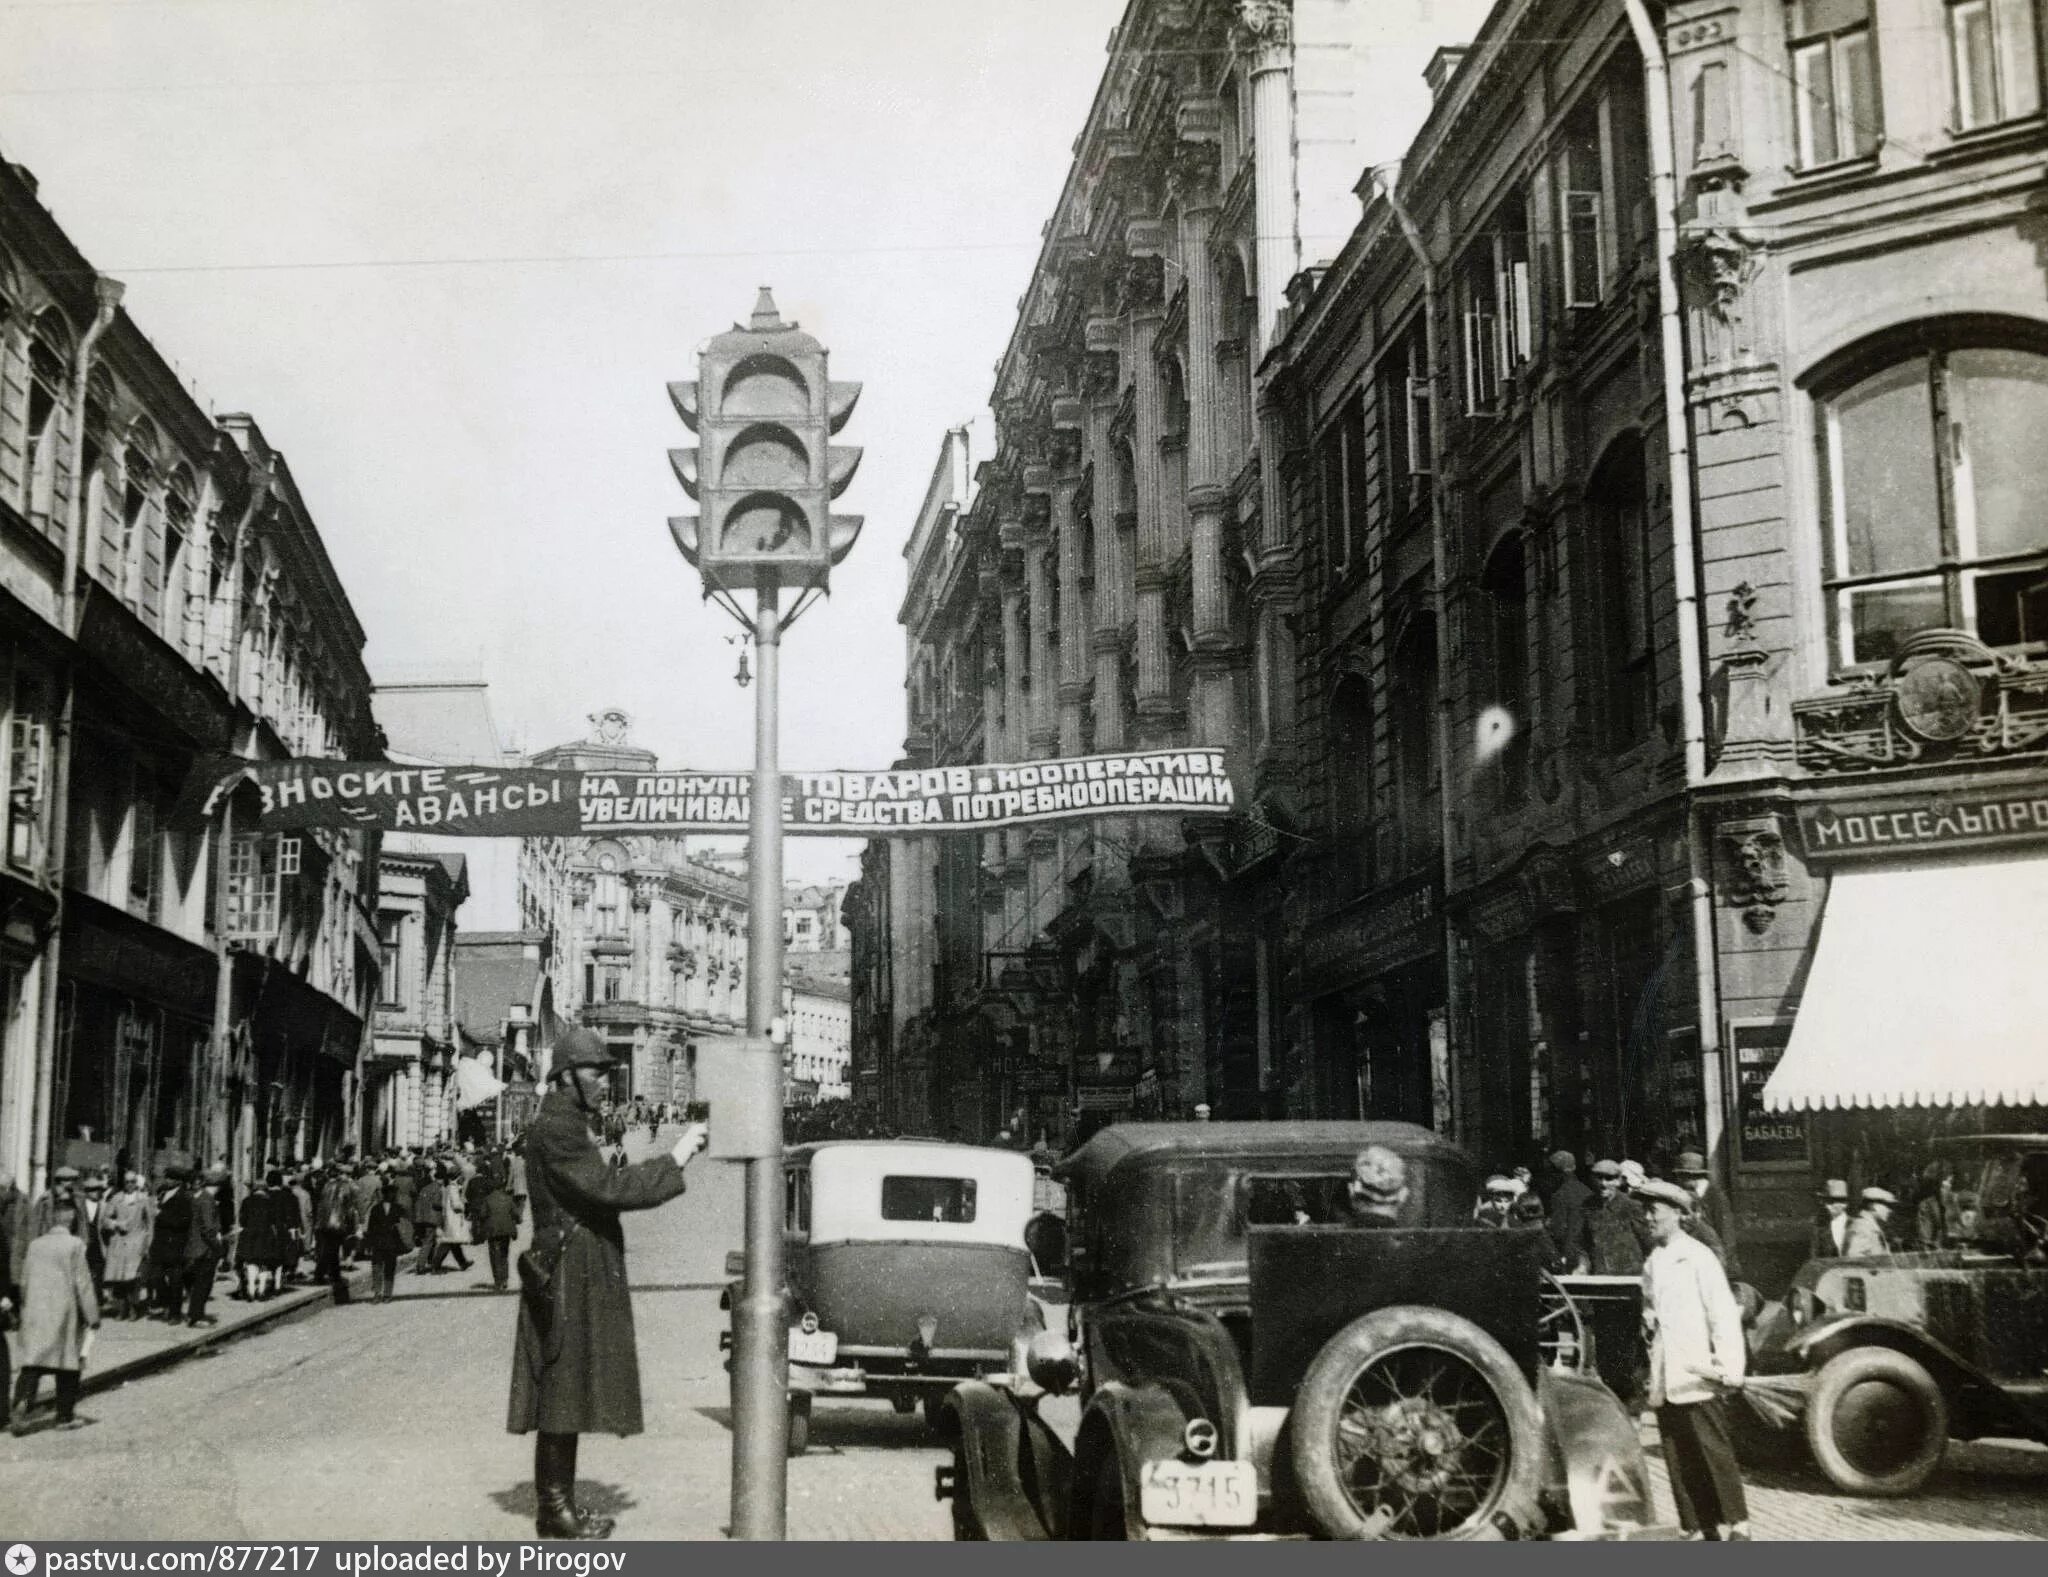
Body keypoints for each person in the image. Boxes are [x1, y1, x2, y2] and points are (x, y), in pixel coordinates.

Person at [508, 1028, 707, 1540]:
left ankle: (559, 1507)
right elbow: (607, 1187)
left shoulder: (564, 1119)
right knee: (562, 1391)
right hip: (569, 1270)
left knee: (566, 1389)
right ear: (566, 1075)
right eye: (595, 1072)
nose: (603, 1082)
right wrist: (677, 1158)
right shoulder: (558, 1127)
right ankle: (555, 1510)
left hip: (574, 1264)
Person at [1637, 1177, 1750, 1541]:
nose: (1647, 1217)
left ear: (1676, 1214)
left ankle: (1738, 1524)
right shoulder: (1654, 1260)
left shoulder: (1699, 1257)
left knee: (1711, 1449)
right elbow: (1650, 1304)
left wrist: (1730, 1367)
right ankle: (1697, 1526)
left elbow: (1722, 1315)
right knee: (1677, 1453)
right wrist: (1649, 1317)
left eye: (1653, 1210)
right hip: (1666, 1372)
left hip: (1698, 1371)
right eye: (1646, 1210)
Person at [10, 1197, 100, 1434]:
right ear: (71, 1220)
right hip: (64, 1313)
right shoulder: (75, 1245)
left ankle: (21, 1403)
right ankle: (64, 1417)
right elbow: (83, 1283)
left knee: (33, 1363)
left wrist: (25, 1308)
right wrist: (93, 1315)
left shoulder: (35, 1245)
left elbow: (24, 1281)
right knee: (68, 1367)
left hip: (37, 1312)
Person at [1671, 1150, 1741, 1279]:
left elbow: (1727, 1237)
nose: (1679, 1182)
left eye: (1681, 1177)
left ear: (1692, 1177)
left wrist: (1722, 1269)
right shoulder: (1685, 1197)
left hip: (1717, 1266)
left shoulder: (1716, 1198)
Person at [100, 1171, 154, 1320]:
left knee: (133, 1278)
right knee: (119, 1278)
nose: (129, 1185)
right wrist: (116, 1224)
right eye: (126, 1182)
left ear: (136, 1183)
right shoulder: (116, 1199)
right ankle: (121, 1308)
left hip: (136, 1241)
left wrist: (148, 1243)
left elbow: (150, 1223)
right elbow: (105, 1220)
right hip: (119, 1242)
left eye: (132, 1182)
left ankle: (133, 1308)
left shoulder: (143, 1199)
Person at [1587, 1159, 1651, 1276]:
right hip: (1600, 1274)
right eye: (1599, 1178)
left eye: (1609, 1179)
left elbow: (1648, 1242)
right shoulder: (1588, 1206)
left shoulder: (1631, 1206)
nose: (1603, 1184)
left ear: (1619, 1181)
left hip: (1629, 1275)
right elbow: (1583, 1242)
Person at [1543, 1150, 1593, 1275]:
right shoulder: (1587, 1191)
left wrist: (1548, 1225)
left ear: (1557, 1172)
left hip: (1570, 1254)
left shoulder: (1559, 1195)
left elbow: (1558, 1230)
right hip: (1587, 1252)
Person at [362, 1177, 408, 1303]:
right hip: (383, 1243)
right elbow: (371, 1227)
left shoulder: (391, 1208)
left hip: (388, 1243)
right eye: (392, 1193)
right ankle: (381, 1294)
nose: (393, 1196)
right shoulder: (382, 1208)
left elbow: (404, 1224)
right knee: (382, 1269)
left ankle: (384, 1294)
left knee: (385, 1269)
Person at [478, 1160, 520, 1292]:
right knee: (504, 1254)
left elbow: (482, 1214)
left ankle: (498, 1281)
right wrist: (517, 1221)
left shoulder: (487, 1199)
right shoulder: (508, 1199)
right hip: (506, 1231)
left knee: (494, 1255)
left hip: (493, 1231)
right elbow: (517, 1215)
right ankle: (505, 1279)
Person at [432, 1163, 475, 1273]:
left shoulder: (446, 1187)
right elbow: (456, 1205)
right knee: (449, 1242)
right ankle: (435, 1265)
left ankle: (463, 1263)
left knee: (453, 1242)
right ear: (457, 1175)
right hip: (453, 1218)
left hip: (448, 1217)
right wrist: (463, 1206)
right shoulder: (453, 1188)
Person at [1844, 1186, 1897, 1258]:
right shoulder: (1863, 1226)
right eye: (1887, 1206)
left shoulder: (1870, 1225)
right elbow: (1853, 1258)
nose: (1890, 1210)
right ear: (1873, 1205)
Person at [411, 1166, 443, 1273]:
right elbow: (437, 1203)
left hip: (423, 1218)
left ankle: (430, 1262)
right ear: (440, 1179)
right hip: (432, 1218)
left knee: (429, 1241)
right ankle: (421, 1265)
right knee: (428, 1242)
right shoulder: (437, 1188)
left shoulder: (426, 1187)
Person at [1809, 1178, 1852, 1259]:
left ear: (1844, 1204)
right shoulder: (1819, 1225)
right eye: (1825, 1202)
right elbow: (1814, 1255)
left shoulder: (1854, 1224)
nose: (1827, 1206)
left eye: (1831, 1202)